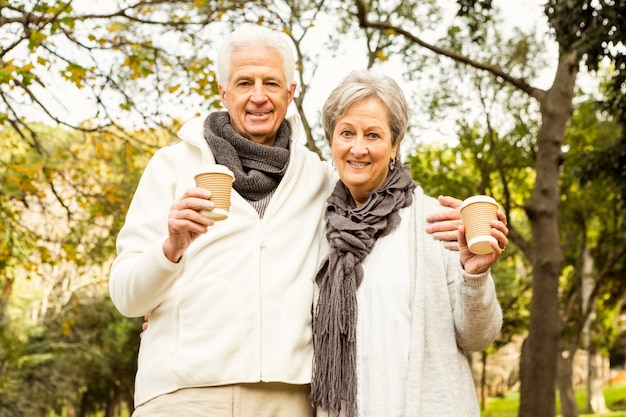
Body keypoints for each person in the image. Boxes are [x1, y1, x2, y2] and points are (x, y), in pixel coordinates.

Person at [110, 25, 462, 416]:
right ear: (223, 91)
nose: (258, 96)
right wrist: (169, 249)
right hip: (184, 396)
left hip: (288, 400)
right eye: (245, 82)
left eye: (271, 83)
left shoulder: (320, 178)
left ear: (290, 92)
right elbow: (128, 297)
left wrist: (465, 217)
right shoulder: (172, 167)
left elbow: (382, 196)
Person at [309, 69, 508, 417]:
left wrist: (475, 277)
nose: (358, 148)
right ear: (331, 140)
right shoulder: (318, 229)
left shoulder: (439, 223)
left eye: (373, 134)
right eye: (346, 133)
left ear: (395, 143)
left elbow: (479, 338)